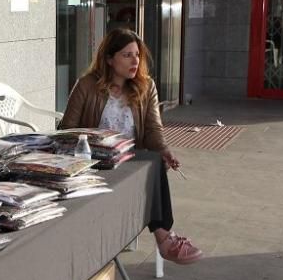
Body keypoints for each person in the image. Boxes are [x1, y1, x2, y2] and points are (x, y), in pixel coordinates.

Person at [59, 28, 202, 265]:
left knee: (156, 161)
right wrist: (94, 143)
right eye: (127, 55)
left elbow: (154, 129)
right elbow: (67, 130)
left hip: (129, 160)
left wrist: (164, 149)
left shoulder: (146, 87)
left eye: (137, 55)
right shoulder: (86, 85)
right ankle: (164, 236)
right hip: (95, 161)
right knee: (154, 165)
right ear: (109, 59)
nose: (135, 60)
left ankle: (164, 237)